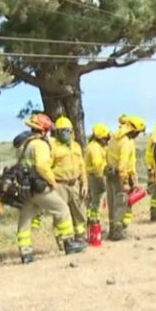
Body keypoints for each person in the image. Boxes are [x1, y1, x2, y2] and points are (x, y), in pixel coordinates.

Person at [15, 113, 86, 264]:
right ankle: (68, 243)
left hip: (25, 187)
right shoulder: (40, 145)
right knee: (62, 209)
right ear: (44, 130)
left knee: (25, 217)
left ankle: (25, 252)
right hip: (39, 187)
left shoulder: (25, 145)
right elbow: (42, 166)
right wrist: (52, 182)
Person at [105, 115, 146, 241]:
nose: (138, 135)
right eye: (138, 132)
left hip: (110, 174)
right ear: (133, 130)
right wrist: (125, 181)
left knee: (112, 202)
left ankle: (112, 229)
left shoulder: (114, 138)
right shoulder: (126, 142)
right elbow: (123, 164)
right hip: (120, 175)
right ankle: (117, 232)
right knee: (121, 203)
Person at [50, 116, 89, 243]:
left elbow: (82, 166)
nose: (64, 133)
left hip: (75, 184)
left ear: (71, 131)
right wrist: (52, 184)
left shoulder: (76, 146)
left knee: (79, 212)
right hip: (60, 185)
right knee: (60, 215)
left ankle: (80, 238)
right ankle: (63, 241)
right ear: (57, 132)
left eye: (67, 130)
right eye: (61, 131)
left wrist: (84, 184)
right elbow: (47, 167)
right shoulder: (52, 147)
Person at [84, 123, 110, 242]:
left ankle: (93, 222)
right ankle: (94, 224)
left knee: (95, 202)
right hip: (95, 177)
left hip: (95, 176)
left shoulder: (97, 146)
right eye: (105, 139)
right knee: (96, 202)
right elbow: (97, 165)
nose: (106, 141)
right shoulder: (94, 148)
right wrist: (104, 175)